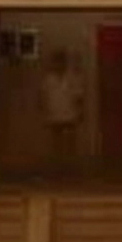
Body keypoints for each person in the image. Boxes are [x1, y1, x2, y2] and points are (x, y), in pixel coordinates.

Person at [41, 50, 84, 180]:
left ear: (65, 63)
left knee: (70, 145)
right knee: (57, 146)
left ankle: (70, 171)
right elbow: (43, 98)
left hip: (70, 115)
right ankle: (58, 171)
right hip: (55, 116)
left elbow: (78, 97)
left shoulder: (72, 78)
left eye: (61, 62)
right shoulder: (48, 79)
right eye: (57, 62)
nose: (59, 65)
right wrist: (45, 113)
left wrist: (80, 113)